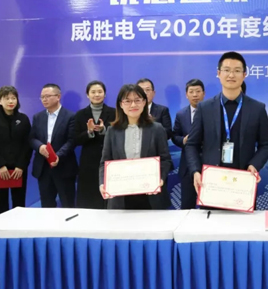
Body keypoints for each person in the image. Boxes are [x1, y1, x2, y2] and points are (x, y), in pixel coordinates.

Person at [186, 52, 268, 203]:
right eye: (226, 70)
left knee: (242, 218)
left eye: (237, 70)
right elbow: (192, 144)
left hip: (243, 180)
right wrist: (196, 171)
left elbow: (266, 145)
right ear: (219, 73)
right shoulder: (205, 108)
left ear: (244, 75)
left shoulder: (257, 108)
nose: (231, 75)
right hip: (211, 182)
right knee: (213, 218)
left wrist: (254, 165)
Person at [99, 84, 173, 210]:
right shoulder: (112, 131)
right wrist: (102, 183)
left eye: (137, 100)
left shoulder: (157, 129)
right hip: (121, 197)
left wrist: (160, 178)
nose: (133, 105)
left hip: (151, 196)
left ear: (144, 102)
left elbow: (165, 160)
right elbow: (105, 162)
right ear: (121, 104)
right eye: (127, 101)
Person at [0, 86, 32, 215]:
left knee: (19, 203)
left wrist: (21, 166)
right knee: (0, 203)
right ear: (0, 101)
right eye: (7, 98)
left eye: (13, 98)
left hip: (18, 169)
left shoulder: (23, 119)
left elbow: (27, 144)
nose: (11, 101)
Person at [29, 84, 78, 208]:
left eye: (48, 96)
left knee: (67, 205)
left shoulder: (70, 116)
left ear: (58, 97)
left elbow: (72, 141)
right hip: (43, 168)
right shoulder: (38, 117)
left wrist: (58, 156)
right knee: (46, 206)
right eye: (42, 97)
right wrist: (40, 147)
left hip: (64, 167)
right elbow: (31, 138)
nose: (44, 99)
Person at [73, 80, 116, 209]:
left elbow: (118, 136)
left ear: (105, 94)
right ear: (87, 95)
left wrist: (104, 130)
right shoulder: (80, 114)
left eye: (100, 92)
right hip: (88, 161)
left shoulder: (115, 113)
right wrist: (89, 132)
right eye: (93, 92)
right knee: (88, 198)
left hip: (109, 159)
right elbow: (75, 139)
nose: (97, 94)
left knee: (109, 196)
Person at [172, 79, 205, 209]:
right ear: (186, 95)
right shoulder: (181, 114)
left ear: (204, 93)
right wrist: (183, 141)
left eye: (198, 91)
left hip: (208, 164)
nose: (195, 95)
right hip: (187, 166)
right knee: (187, 205)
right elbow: (175, 136)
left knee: (209, 207)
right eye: (191, 92)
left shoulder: (212, 112)